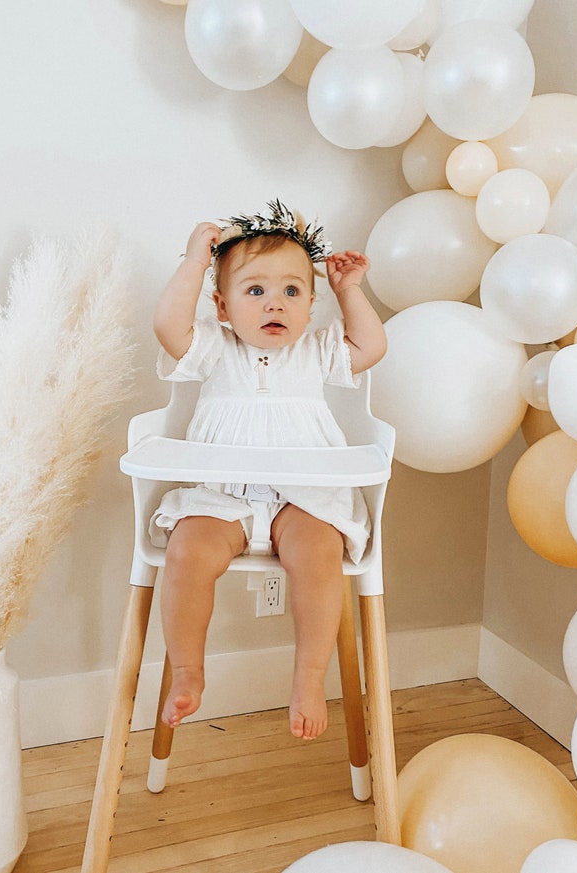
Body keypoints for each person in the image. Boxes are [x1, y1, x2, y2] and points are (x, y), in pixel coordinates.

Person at [150, 200, 387, 740]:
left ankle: (308, 677)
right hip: (223, 499)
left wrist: (349, 290)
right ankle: (188, 669)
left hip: (301, 498)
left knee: (319, 553)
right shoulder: (213, 348)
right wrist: (193, 262)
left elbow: (371, 345)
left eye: (291, 291)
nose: (274, 303)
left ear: (309, 305)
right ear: (223, 306)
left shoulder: (318, 352)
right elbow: (168, 326)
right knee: (188, 551)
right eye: (254, 290)